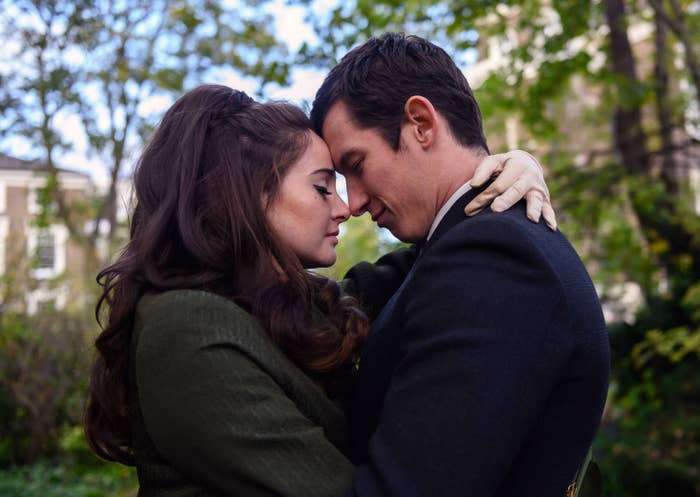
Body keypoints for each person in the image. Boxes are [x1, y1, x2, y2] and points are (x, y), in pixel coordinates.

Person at [84, 84, 557, 497]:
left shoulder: (281, 308)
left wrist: (508, 171)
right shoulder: (188, 328)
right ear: (247, 195)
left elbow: (437, 258)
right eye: (322, 187)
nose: (345, 208)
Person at [310, 33, 610, 497]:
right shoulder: (464, 248)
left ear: (421, 123)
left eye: (356, 164)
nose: (354, 203)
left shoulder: (492, 261)